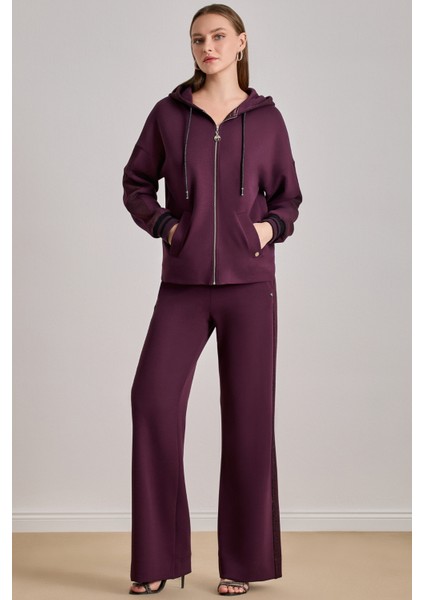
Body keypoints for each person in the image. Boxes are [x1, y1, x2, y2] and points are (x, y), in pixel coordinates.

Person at [122, 3, 302, 596]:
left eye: (219, 36)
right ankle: (159, 558)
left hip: (251, 287)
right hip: (184, 284)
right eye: (198, 39)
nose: (208, 47)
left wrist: (266, 230)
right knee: (152, 399)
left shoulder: (267, 119)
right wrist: (169, 228)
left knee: (249, 419)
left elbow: (289, 198)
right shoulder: (168, 114)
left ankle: (243, 564)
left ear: (241, 42)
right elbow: (136, 183)